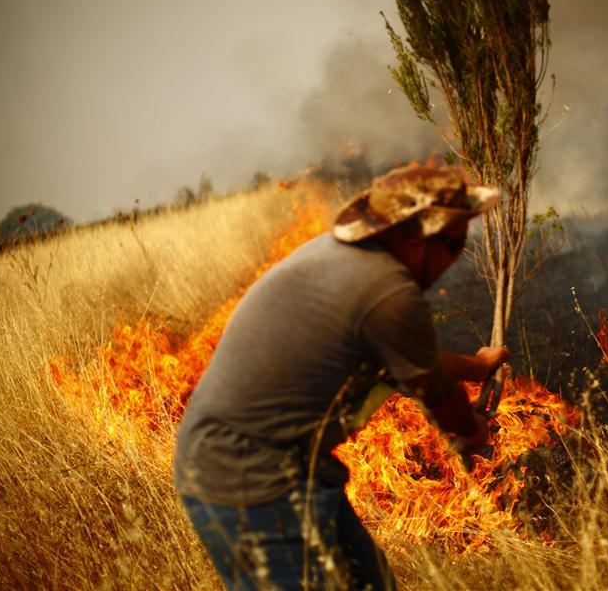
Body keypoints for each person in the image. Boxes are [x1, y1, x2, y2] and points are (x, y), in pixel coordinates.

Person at [173, 164, 511, 590]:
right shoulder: (388, 292)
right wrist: (475, 431)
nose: (458, 254)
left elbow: (413, 357)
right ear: (414, 242)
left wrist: (477, 366)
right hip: (247, 477)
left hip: (289, 465)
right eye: (455, 243)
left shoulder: (344, 260)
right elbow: (441, 399)